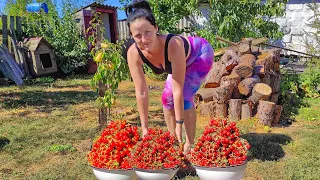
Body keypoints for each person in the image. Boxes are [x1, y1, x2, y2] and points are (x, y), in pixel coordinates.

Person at [124, 0, 214, 154]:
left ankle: (189, 146)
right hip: (181, 62)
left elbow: (177, 90)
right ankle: (174, 143)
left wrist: (179, 123)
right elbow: (141, 92)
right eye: (138, 35)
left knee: (185, 97)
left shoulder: (173, 45)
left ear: (156, 28)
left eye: (148, 32)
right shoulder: (133, 53)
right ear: (131, 35)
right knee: (166, 98)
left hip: (200, 55)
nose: (144, 40)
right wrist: (144, 128)